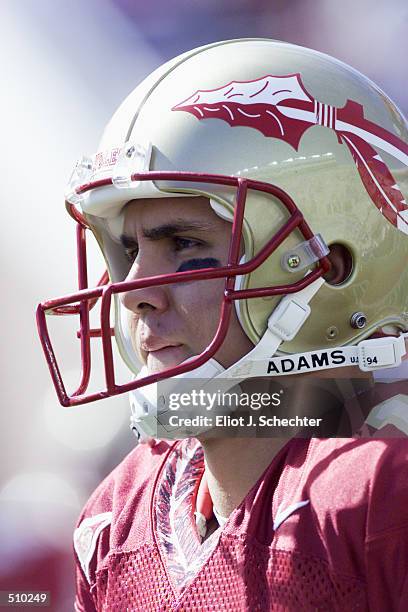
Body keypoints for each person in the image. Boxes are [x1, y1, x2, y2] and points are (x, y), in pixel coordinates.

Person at [36, 39, 408, 610]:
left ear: (331, 266)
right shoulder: (118, 515)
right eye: (127, 249)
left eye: (184, 244)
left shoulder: (379, 500)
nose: (136, 294)